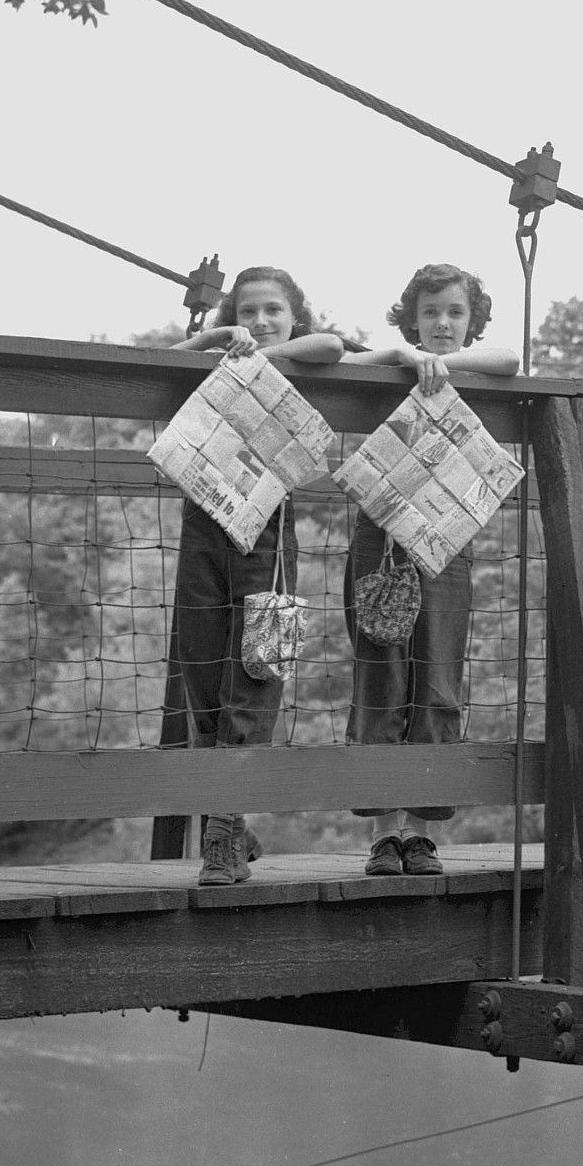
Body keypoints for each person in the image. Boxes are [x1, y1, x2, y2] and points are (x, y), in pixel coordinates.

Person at [161, 266, 346, 886]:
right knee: (200, 659)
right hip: (203, 520)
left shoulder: (302, 357)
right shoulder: (222, 359)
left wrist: (271, 349)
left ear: (294, 315)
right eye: (247, 311)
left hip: (268, 529)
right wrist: (216, 342)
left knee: (257, 664)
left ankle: (221, 829)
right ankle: (229, 818)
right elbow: (162, 360)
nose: (261, 321)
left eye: (274, 309)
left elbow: (334, 347)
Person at [342, 263, 519, 876]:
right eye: (430, 313)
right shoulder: (396, 364)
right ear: (411, 318)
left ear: (471, 322)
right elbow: (339, 363)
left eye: (454, 314)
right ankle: (385, 833)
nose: (442, 324)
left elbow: (512, 363)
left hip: (446, 537)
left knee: (438, 680)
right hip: (381, 540)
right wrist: (400, 354)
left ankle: (421, 833)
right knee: (380, 675)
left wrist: (449, 365)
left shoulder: (473, 368)